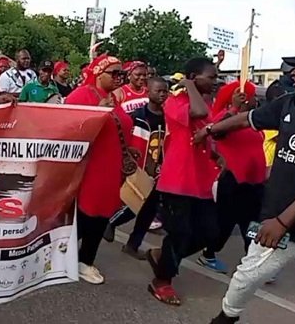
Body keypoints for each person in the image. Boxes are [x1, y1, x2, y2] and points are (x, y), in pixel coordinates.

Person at [198, 47, 295, 324]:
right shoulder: (290, 102)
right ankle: (226, 318)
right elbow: (248, 120)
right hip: (274, 223)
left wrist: (283, 222)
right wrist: (213, 129)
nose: (294, 72)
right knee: (245, 278)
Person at [146, 57, 221, 306]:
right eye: (211, 76)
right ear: (192, 77)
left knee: (210, 233)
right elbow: (197, 113)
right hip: (177, 181)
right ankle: (161, 281)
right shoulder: (174, 102)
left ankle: (161, 255)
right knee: (180, 233)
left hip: (201, 182)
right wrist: (187, 85)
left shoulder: (207, 104)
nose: (215, 81)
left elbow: (208, 127)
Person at [65, 54, 133, 285]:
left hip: (111, 165)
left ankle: (85, 259)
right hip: (91, 165)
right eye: (114, 73)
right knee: (86, 213)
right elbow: (69, 129)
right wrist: (96, 113)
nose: (119, 78)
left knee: (103, 213)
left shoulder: (114, 97)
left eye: (121, 73)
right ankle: (65, 255)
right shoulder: (81, 95)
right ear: (98, 74)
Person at [196, 81, 266, 274]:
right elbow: (215, 128)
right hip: (233, 180)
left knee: (252, 224)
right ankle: (208, 253)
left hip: (254, 182)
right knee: (224, 223)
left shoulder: (252, 121)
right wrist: (234, 107)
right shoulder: (227, 119)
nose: (256, 100)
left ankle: (253, 260)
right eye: (252, 96)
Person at [103, 77, 169, 258]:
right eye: (158, 91)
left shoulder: (168, 117)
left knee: (148, 209)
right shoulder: (138, 115)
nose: (162, 94)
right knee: (137, 203)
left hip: (157, 168)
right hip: (137, 166)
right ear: (148, 92)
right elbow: (122, 136)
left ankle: (132, 244)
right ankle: (111, 222)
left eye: (165, 91)